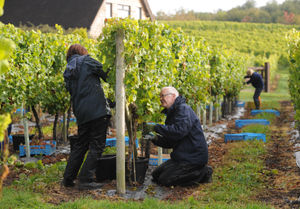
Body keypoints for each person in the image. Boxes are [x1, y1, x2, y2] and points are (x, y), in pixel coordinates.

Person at [62, 44, 111, 190]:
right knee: (97, 145)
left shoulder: (68, 70)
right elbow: (108, 75)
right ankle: (85, 179)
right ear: (82, 52)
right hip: (97, 111)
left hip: (81, 113)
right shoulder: (86, 61)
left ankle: (68, 178)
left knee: (81, 145)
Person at [144, 87, 213, 187]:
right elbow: (171, 141)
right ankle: (194, 172)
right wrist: (155, 138)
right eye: (160, 96)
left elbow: (179, 131)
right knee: (156, 175)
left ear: (173, 96)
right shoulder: (172, 113)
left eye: (163, 96)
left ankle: (203, 173)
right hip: (181, 157)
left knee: (166, 180)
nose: (161, 99)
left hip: (193, 158)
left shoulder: (183, 109)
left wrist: (156, 127)